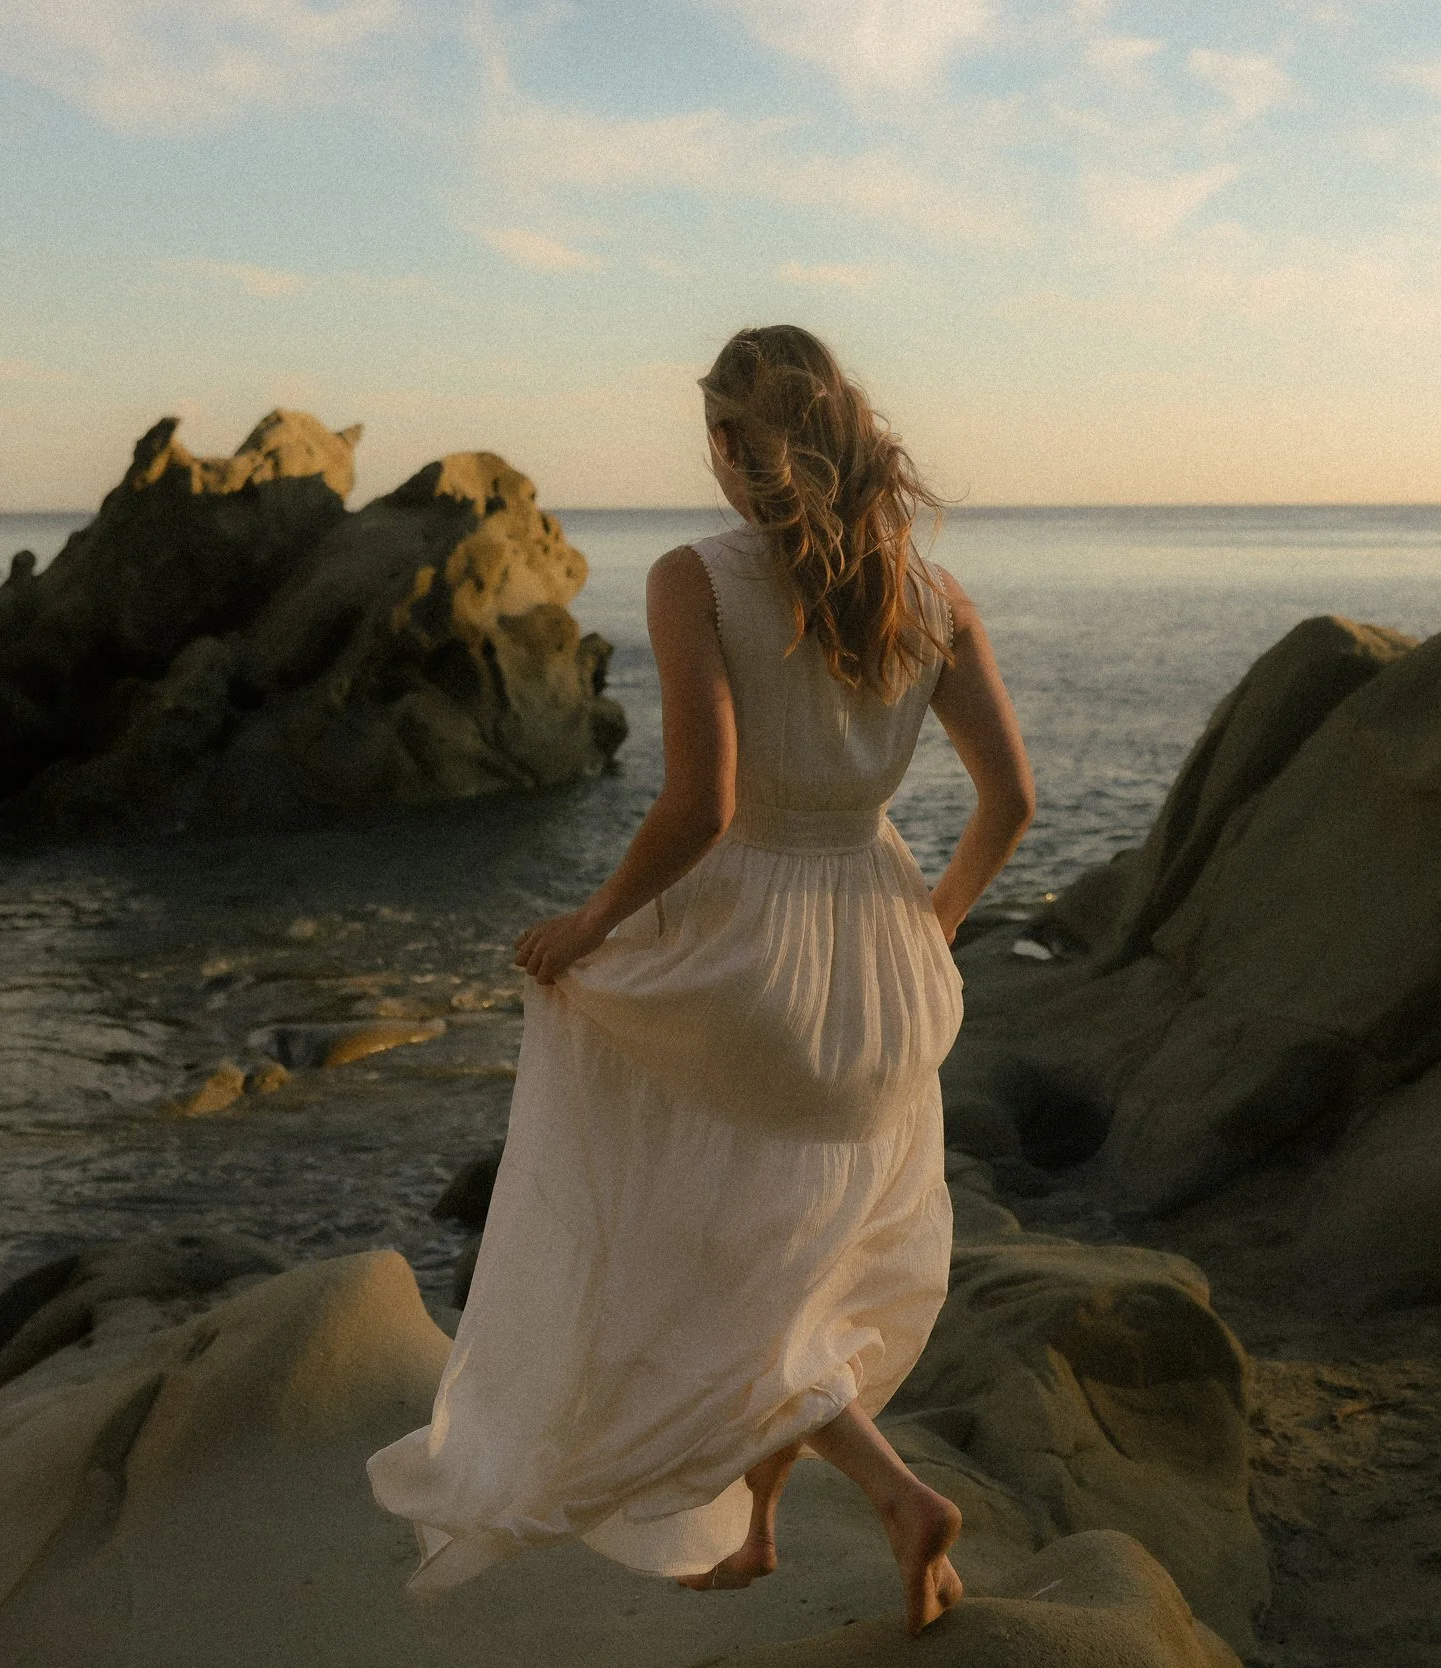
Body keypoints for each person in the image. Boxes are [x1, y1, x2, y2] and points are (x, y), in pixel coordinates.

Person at [367, 324, 1034, 1637]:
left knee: (713, 1277)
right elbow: (1011, 800)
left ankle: (900, 1500)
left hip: (753, 968)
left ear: (731, 446)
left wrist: (592, 921)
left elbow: (704, 806)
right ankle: (763, 1529)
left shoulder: (695, 577)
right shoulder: (936, 598)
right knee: (802, 1260)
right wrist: (935, 925)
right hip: (883, 960)